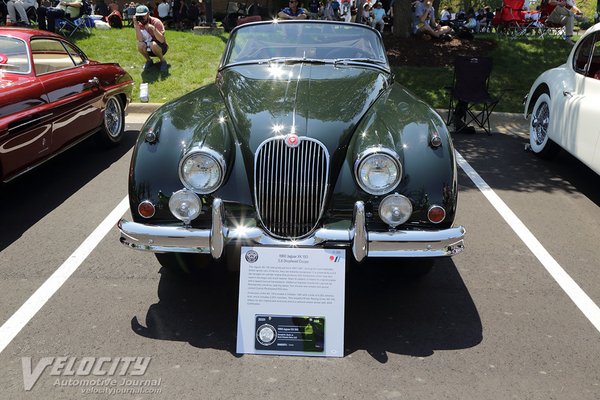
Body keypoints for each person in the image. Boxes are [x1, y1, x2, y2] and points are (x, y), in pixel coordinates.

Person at [134, 4, 169, 72]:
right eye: (139, 16)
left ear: (148, 14)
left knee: (153, 44)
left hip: (161, 47)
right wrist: (136, 25)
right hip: (148, 46)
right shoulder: (139, 23)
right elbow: (140, 40)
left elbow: (162, 40)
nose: (141, 18)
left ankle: (163, 61)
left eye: (143, 15)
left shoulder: (156, 22)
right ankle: (149, 61)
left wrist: (153, 29)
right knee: (140, 45)